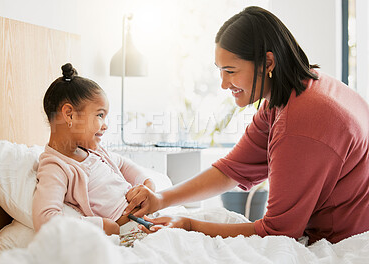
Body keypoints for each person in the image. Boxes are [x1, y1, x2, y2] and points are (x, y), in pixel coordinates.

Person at [124, 6, 369, 244]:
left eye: (231, 71)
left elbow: (279, 233)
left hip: (344, 240)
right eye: (220, 71)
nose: (223, 84)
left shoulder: (301, 123)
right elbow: (231, 169)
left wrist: (190, 225)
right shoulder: (293, 93)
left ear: (268, 63)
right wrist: (160, 199)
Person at [32, 63, 155, 236]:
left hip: (150, 218)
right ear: (69, 114)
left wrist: (147, 184)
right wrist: (100, 226)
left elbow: (124, 164)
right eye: (99, 115)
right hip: (131, 233)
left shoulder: (95, 151)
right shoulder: (56, 166)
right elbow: (45, 219)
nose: (105, 125)